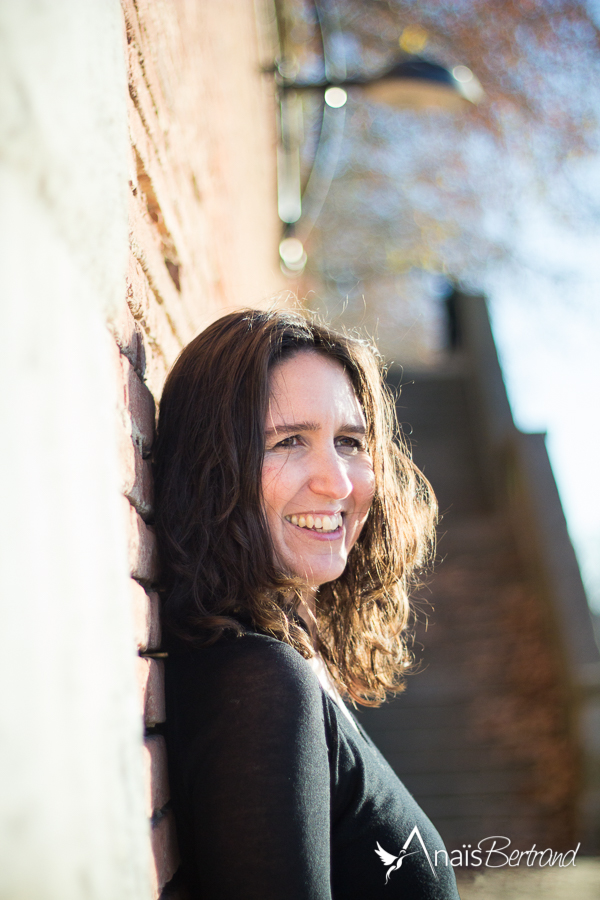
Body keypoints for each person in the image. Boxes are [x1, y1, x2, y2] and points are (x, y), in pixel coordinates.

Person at [153, 309, 460, 899]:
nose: (338, 483)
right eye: (289, 441)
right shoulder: (260, 683)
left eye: (349, 442)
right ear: (211, 467)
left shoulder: (289, 666)